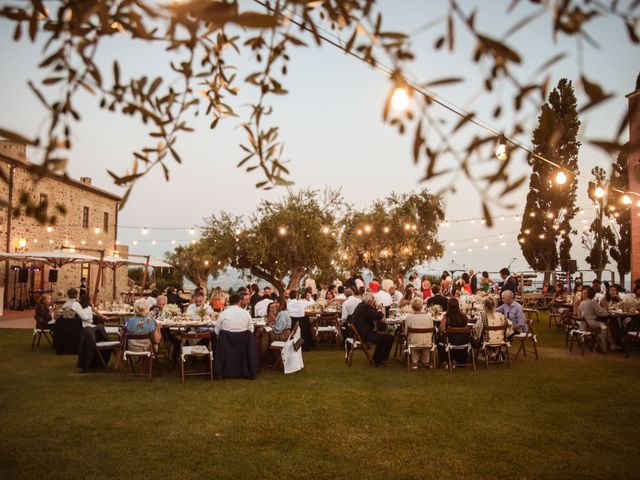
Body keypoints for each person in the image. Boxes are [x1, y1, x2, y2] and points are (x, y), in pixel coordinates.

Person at [351, 293, 394, 367]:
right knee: (389, 338)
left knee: (384, 337)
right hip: (366, 334)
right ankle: (379, 360)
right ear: (370, 301)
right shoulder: (366, 307)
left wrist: (374, 309)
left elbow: (372, 315)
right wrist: (380, 309)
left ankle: (377, 359)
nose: (374, 303)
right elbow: (378, 316)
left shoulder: (361, 306)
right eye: (373, 301)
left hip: (361, 333)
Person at [578, 287, 615, 352]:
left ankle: (610, 344)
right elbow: (602, 313)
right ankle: (602, 346)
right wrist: (606, 311)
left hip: (583, 324)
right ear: (593, 295)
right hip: (590, 324)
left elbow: (579, 315)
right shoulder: (592, 303)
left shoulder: (582, 303)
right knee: (604, 326)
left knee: (605, 324)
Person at [438, 297, 471, 366]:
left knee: (438, 339)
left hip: (451, 340)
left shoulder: (447, 316)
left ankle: (444, 359)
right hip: (463, 340)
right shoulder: (464, 316)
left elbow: (441, 329)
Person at [404, 297, 434, 368]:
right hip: (427, 342)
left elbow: (406, 333)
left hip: (414, 341)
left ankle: (415, 362)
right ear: (422, 306)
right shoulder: (429, 317)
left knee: (414, 339)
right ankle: (426, 361)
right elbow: (431, 332)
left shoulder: (409, 317)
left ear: (412, 306)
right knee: (424, 340)